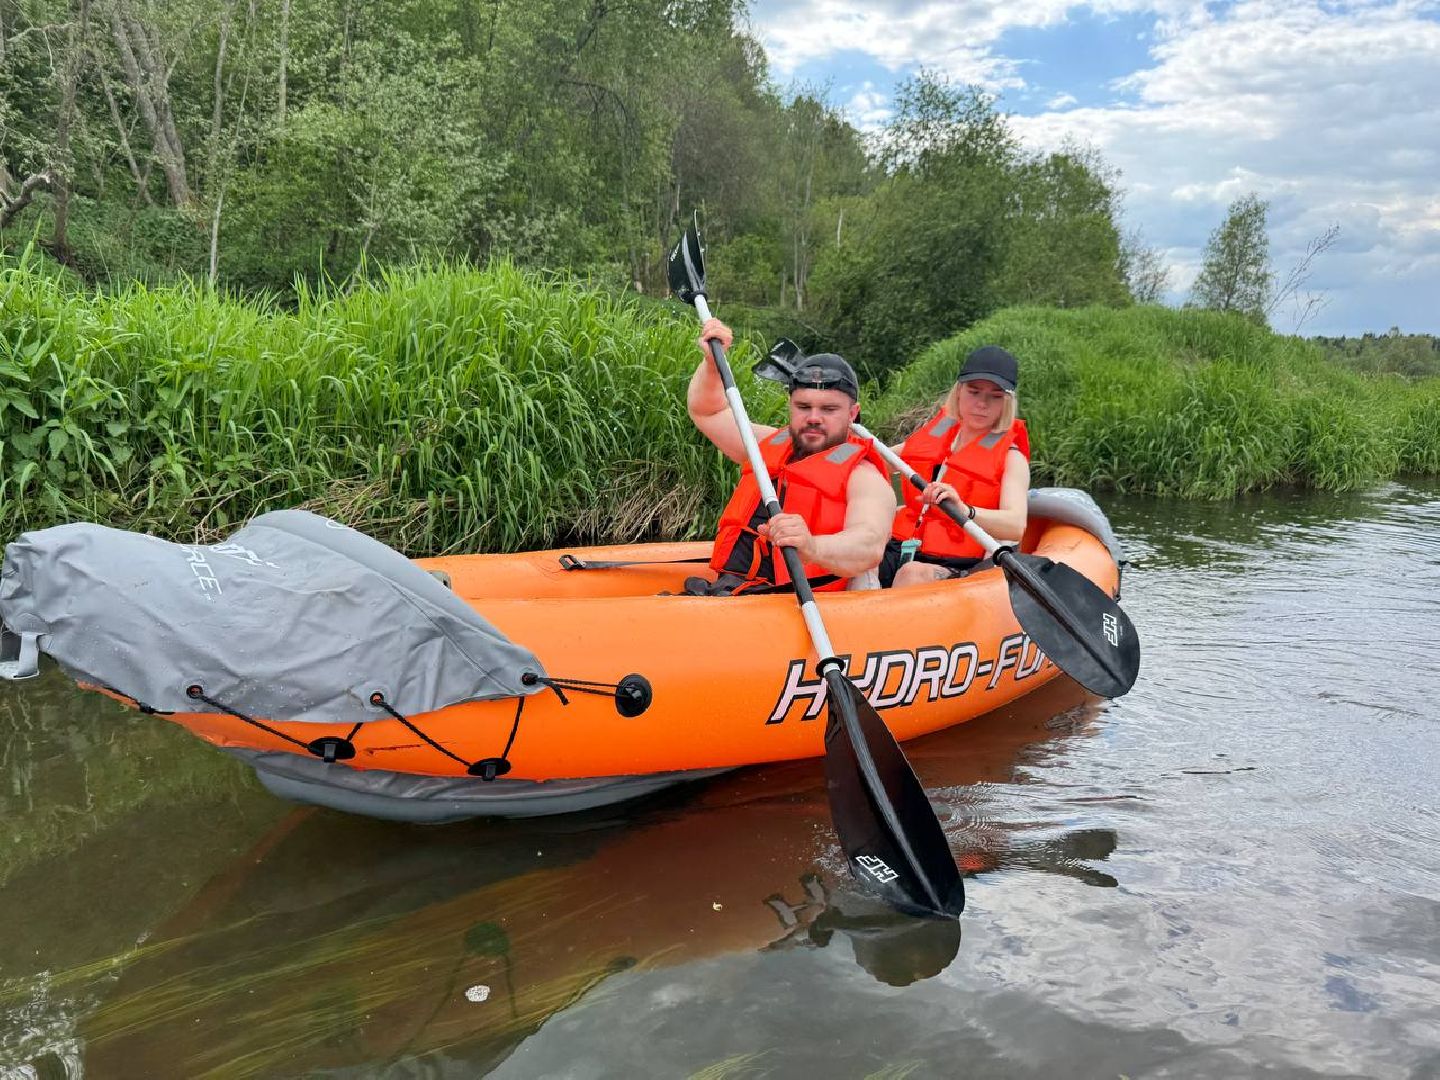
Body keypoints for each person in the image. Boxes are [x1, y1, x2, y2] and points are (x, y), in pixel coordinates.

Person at [686, 319, 895, 596]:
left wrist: (812, 547)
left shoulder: (864, 476)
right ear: (791, 405)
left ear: (852, 413)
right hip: (739, 589)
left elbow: (868, 545)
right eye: (803, 406)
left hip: (800, 603)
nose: (813, 418)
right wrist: (712, 364)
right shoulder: (766, 444)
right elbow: (707, 412)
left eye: (829, 409)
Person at [881, 345, 1031, 588]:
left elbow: (1015, 525)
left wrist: (966, 510)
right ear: (959, 391)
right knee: (859, 556)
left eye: (995, 396)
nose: (982, 403)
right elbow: (883, 460)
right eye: (974, 392)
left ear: (1007, 403)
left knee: (911, 574)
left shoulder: (1012, 459)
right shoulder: (939, 434)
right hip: (902, 546)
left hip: (960, 564)